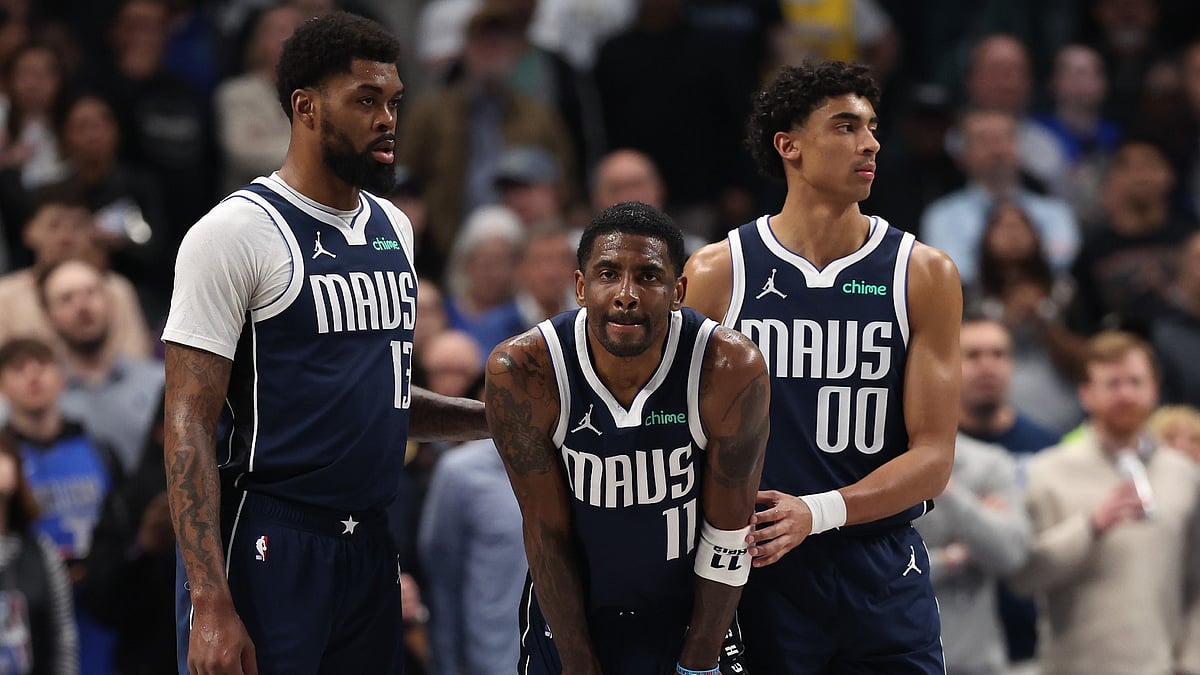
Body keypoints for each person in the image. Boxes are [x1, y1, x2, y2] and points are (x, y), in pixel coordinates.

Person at [161, 13, 488, 675]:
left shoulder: (394, 226)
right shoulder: (233, 233)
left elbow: (379, 400)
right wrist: (209, 599)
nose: (387, 120)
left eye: (393, 101)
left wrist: (495, 421)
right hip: (269, 537)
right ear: (306, 108)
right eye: (366, 101)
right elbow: (187, 423)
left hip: (369, 539)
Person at [683, 60, 960, 672]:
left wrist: (818, 511)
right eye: (845, 126)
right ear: (790, 146)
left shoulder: (922, 273)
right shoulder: (718, 272)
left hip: (879, 563)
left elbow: (934, 458)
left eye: (872, 127)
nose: (870, 143)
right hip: (758, 565)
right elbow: (682, 433)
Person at [485, 201, 769, 674]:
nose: (626, 295)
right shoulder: (525, 368)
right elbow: (545, 534)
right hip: (574, 616)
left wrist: (698, 663)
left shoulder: (729, 366)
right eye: (608, 274)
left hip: (692, 612)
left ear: (678, 291)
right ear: (580, 287)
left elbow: (727, 533)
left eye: (649, 277)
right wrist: (579, 663)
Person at [1010, 331, 1200, 675]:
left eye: (1135, 382)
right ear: (1085, 393)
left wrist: (1190, 662)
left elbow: (1196, 580)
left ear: (1154, 389)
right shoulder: (1047, 471)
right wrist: (1090, 526)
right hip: (1074, 667)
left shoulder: (1184, 473)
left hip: (1163, 667)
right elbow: (1023, 577)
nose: (1125, 394)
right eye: (1112, 384)